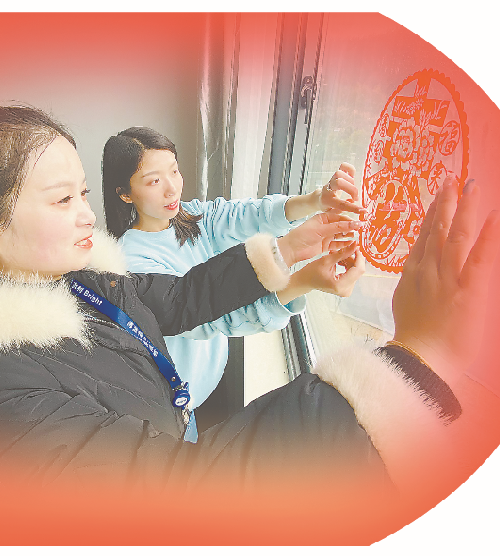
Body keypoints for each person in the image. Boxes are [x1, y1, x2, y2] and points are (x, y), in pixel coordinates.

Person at [0, 105, 500, 544]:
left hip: (172, 426)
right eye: (63, 199)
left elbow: (179, 298)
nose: (87, 216)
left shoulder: (73, 279)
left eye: (82, 192)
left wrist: (294, 255)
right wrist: (415, 362)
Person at [102, 127, 367, 437]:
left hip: (207, 386)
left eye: (174, 170)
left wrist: (316, 200)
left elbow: (246, 215)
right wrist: (304, 279)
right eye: (154, 181)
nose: (172, 189)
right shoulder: (132, 265)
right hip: (173, 410)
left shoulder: (190, 216)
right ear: (125, 194)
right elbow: (213, 316)